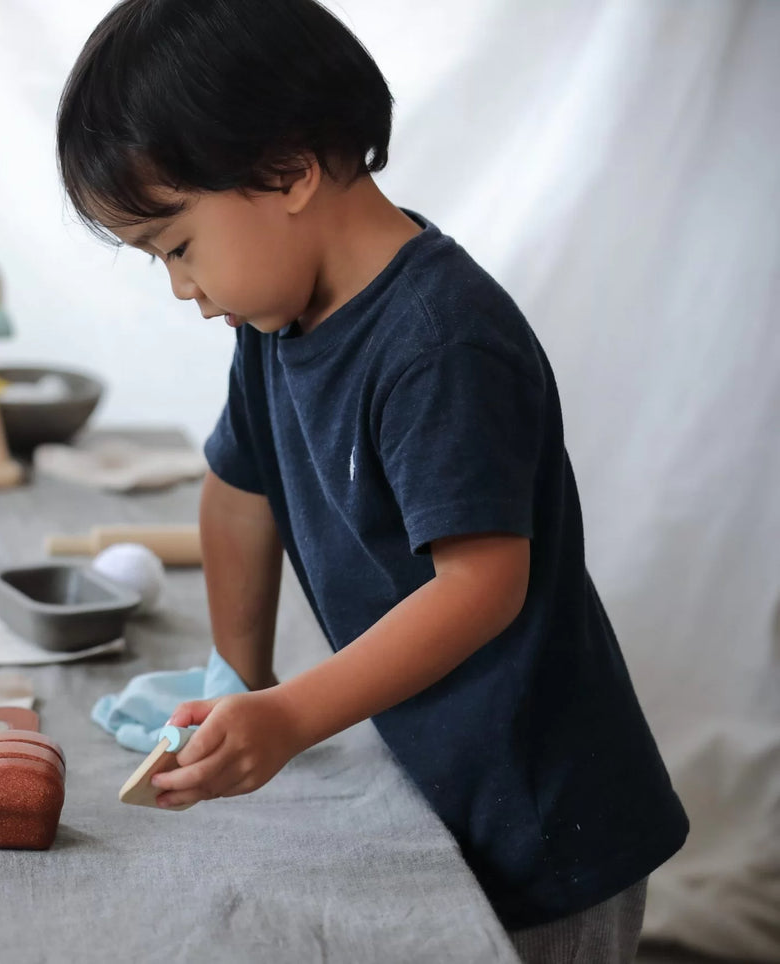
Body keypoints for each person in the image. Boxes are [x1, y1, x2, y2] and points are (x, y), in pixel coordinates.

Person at [57, 1, 688, 959]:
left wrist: (289, 716)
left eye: (178, 246)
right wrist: (241, 674)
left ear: (288, 170)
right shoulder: (272, 323)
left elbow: (480, 588)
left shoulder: (441, 344)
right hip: (430, 772)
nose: (182, 289)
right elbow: (239, 490)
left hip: (541, 809)